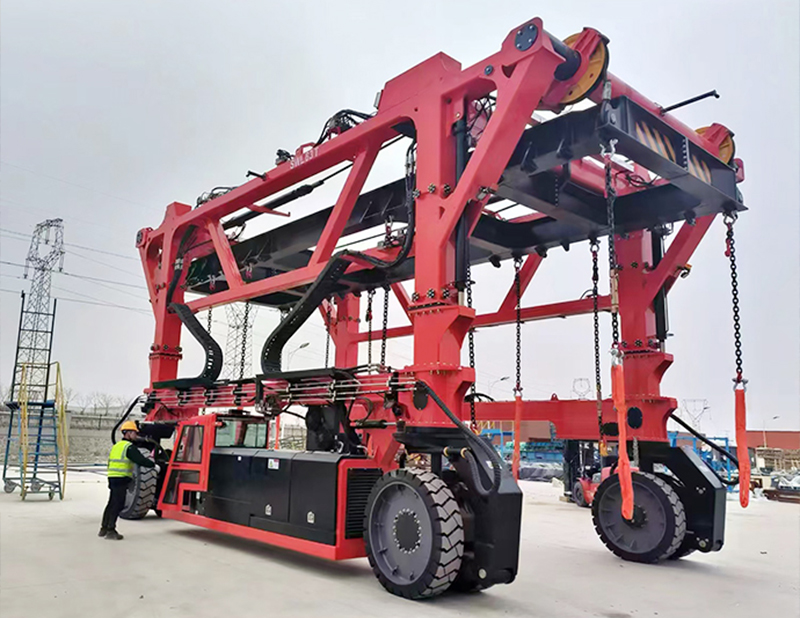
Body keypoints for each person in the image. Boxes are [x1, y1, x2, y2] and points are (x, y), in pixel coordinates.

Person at [99, 420, 160, 540]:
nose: (136, 435)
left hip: (112, 477)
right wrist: (154, 466)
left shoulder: (117, 446)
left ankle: (103, 528)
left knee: (111, 503)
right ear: (128, 433)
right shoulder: (129, 447)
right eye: (134, 433)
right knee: (118, 504)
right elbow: (141, 460)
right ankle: (111, 530)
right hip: (121, 479)